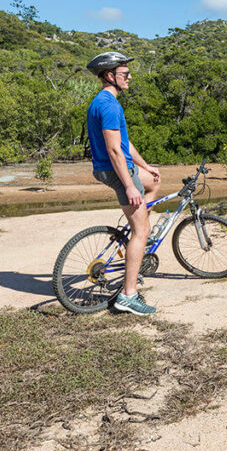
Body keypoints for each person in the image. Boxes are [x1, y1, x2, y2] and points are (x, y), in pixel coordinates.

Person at [85, 51, 162, 315]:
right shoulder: (109, 105)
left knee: (152, 182)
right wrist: (129, 185)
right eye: (125, 74)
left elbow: (125, 144)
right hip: (116, 170)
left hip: (119, 167)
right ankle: (128, 296)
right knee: (142, 232)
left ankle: (135, 233)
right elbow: (115, 151)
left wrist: (144, 166)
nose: (129, 78)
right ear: (110, 76)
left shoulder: (105, 101)